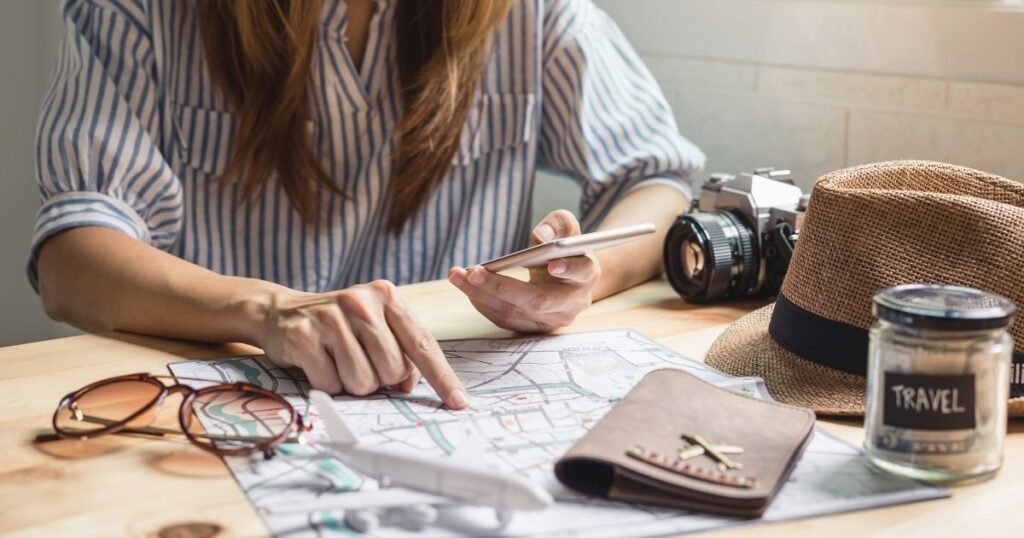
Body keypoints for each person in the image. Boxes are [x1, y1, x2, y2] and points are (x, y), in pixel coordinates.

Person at [32, 0, 704, 409]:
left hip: (454, 400)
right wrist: (267, 310)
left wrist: (581, 279)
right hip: (227, 405)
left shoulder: (532, 13)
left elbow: (658, 180)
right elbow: (72, 259)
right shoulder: (140, 11)